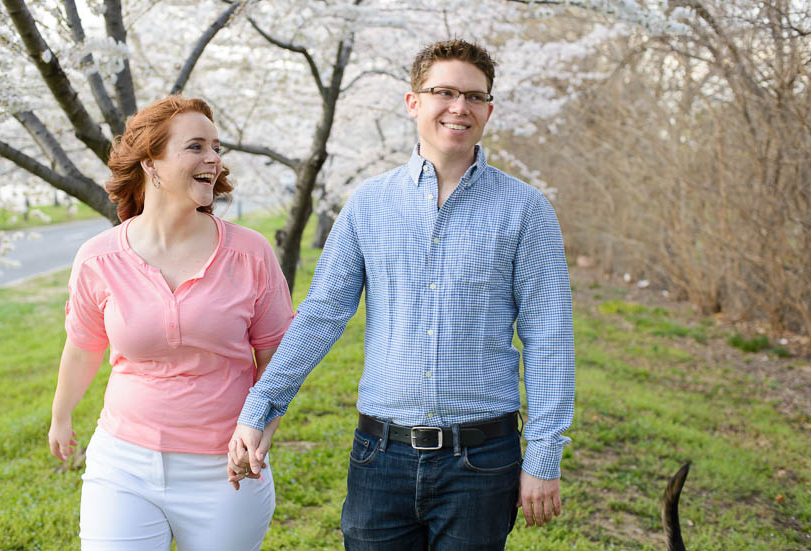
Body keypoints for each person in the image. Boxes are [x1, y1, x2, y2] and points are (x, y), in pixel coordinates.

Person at [229, 39, 575, 550]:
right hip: (380, 456)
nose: (460, 107)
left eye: (475, 97)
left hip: (482, 460)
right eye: (445, 92)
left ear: (489, 110)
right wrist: (262, 406)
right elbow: (323, 313)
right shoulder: (368, 204)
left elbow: (548, 337)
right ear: (414, 102)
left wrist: (543, 454)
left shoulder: (525, 211)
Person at [47, 96, 294, 551]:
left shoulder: (251, 253)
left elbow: (278, 359)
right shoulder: (99, 257)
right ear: (151, 163)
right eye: (196, 146)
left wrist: (259, 435)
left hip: (226, 470)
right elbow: (83, 346)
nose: (214, 159)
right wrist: (61, 417)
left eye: (216, 147)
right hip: (123, 463)